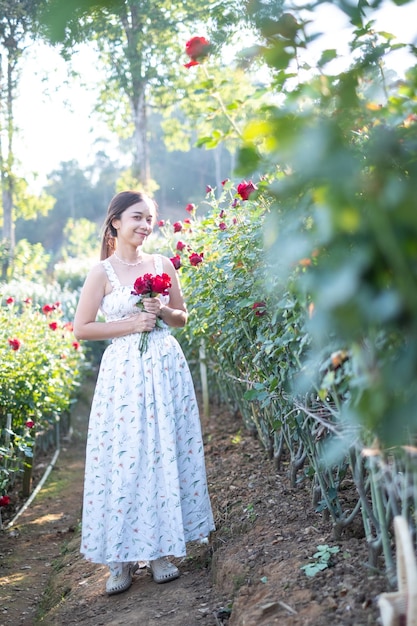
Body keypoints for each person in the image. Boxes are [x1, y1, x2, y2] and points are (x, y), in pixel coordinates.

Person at [73, 190, 215, 596]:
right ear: (115, 221)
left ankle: (160, 551)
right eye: (137, 217)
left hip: (166, 366)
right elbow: (82, 328)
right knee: (126, 454)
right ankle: (119, 558)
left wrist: (162, 311)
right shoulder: (102, 272)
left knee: (162, 451)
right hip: (123, 376)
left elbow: (182, 317)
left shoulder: (162, 263)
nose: (145, 225)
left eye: (150, 219)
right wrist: (132, 324)